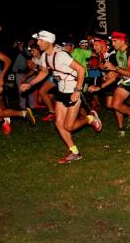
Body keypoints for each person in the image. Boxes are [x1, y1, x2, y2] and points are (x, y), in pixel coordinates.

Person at [20, 30, 100, 164]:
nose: (37, 43)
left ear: (48, 41)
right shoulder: (45, 56)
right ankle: (75, 152)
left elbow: (81, 70)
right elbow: (44, 72)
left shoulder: (61, 55)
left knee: (69, 126)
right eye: (37, 40)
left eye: (40, 40)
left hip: (73, 90)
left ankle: (90, 118)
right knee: (58, 123)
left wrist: (77, 90)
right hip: (61, 91)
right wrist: (30, 84)